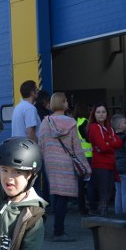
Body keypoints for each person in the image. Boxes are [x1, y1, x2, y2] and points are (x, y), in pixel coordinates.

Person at [37, 92, 91, 241]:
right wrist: (86, 167)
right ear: (63, 103)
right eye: (66, 100)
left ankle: (56, 229)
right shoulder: (71, 122)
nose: (68, 103)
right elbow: (77, 148)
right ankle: (59, 232)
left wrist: (43, 161)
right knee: (64, 197)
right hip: (67, 163)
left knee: (57, 196)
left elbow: (41, 144)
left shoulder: (45, 122)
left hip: (51, 163)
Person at [86, 103, 122, 216]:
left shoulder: (109, 128)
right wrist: (111, 143)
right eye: (98, 112)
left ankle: (103, 216)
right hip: (101, 165)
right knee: (104, 194)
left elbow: (119, 143)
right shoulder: (94, 127)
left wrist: (108, 143)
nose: (101, 114)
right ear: (94, 114)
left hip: (111, 164)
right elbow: (103, 146)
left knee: (108, 193)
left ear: (107, 114)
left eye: (103, 112)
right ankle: (102, 218)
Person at [73, 102, 94, 214]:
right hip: (88, 156)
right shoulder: (85, 122)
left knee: (80, 184)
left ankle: (81, 207)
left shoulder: (75, 122)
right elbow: (89, 138)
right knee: (90, 183)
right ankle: (92, 206)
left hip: (77, 156)